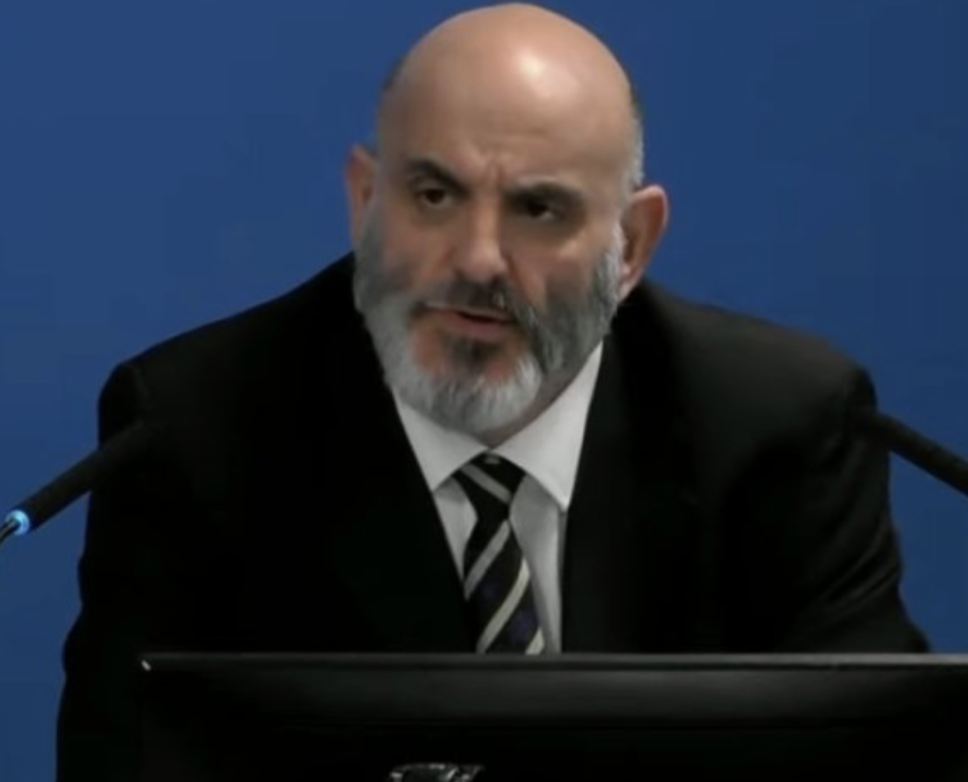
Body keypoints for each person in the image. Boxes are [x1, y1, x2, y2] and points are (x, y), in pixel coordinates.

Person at [56, 3, 929, 780]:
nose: (477, 259)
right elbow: (126, 761)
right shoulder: (199, 428)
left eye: (538, 210)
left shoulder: (777, 424)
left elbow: (877, 763)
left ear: (631, 245)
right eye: (434, 195)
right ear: (365, 202)